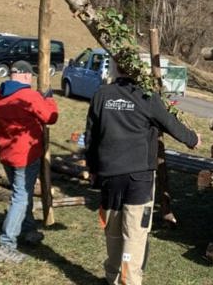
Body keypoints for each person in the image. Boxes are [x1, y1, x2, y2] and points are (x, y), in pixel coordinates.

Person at [85, 65, 201, 285]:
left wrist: (92, 168)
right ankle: (129, 281)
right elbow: (170, 123)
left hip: (109, 174)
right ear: (140, 72)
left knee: (113, 228)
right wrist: (193, 139)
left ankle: (113, 277)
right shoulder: (147, 97)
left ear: (116, 69)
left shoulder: (102, 95)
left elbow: (90, 135)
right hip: (138, 178)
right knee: (135, 233)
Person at [0, 60, 58, 263]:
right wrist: (49, 100)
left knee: (23, 192)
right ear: (26, 75)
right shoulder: (28, 95)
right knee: (20, 196)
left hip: (7, 152)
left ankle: (28, 229)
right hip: (25, 154)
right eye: (30, 76)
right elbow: (50, 117)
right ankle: (6, 245)